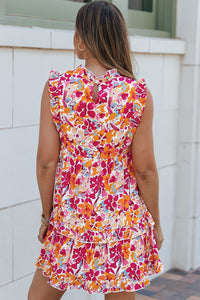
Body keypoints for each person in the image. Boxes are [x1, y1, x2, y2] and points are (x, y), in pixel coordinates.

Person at [28, 1, 164, 299]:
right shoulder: (137, 94)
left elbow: (45, 163)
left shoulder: (57, 88)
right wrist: (154, 222)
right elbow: (145, 169)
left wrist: (47, 216)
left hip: (71, 215)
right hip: (121, 221)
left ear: (80, 40)